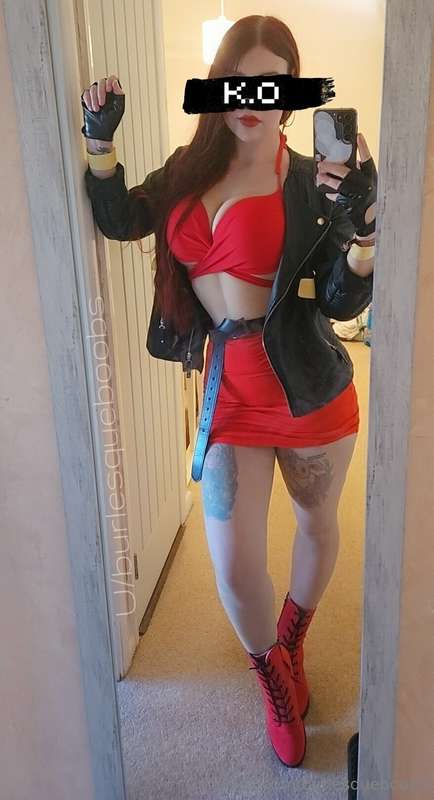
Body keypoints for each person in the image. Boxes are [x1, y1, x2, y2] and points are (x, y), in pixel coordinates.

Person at [81, 14, 376, 770]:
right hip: (229, 393)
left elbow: (341, 303)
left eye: (272, 83)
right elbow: (120, 219)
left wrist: (364, 233)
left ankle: (294, 640)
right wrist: (100, 144)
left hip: (308, 390)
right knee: (234, 567)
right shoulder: (188, 167)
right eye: (239, 81)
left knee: (316, 524)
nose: (253, 98)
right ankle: (270, 670)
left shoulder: (312, 180)